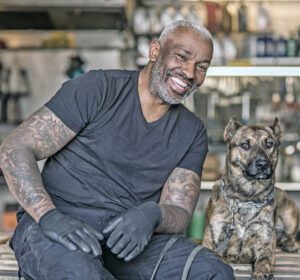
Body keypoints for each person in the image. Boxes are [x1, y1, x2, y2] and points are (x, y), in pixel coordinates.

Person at [0, 20, 234, 280]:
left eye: (202, 67)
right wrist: (48, 217)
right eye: (182, 56)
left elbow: (178, 210)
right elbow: (15, 147)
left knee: (212, 272)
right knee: (82, 275)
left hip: (127, 240)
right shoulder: (98, 88)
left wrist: (152, 214)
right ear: (155, 51)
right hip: (56, 228)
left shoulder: (192, 131)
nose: (190, 72)